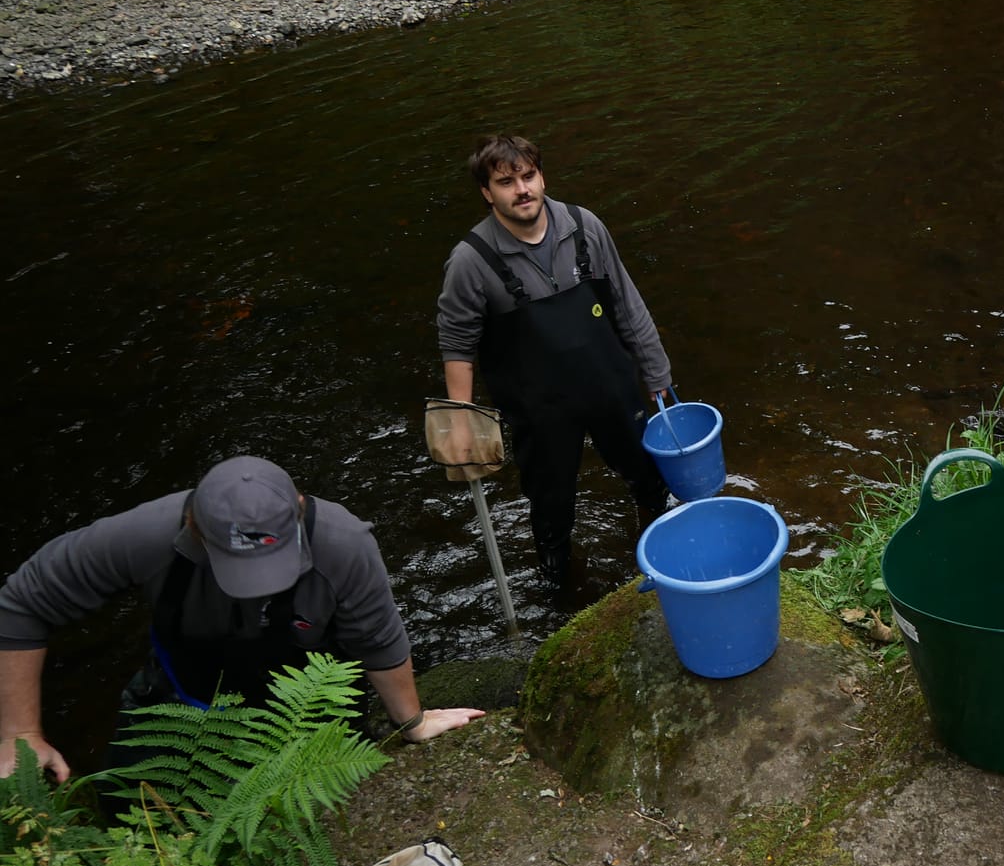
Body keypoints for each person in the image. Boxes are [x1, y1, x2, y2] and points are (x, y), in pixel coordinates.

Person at [0, 456, 484, 782]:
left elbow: (378, 639)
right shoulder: (143, 536)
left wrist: (413, 722)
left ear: (297, 511)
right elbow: (22, 604)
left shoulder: (344, 544)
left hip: (307, 707)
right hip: (182, 702)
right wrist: (21, 736)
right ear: (193, 529)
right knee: (120, 803)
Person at [437, 134, 673, 583]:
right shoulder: (470, 261)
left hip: (611, 387)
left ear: (542, 176)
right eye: (506, 182)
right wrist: (462, 420)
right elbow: (457, 347)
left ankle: (657, 544)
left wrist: (657, 373)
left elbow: (626, 302)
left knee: (648, 475)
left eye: (528, 176)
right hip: (538, 407)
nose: (522, 189)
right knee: (551, 499)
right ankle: (558, 579)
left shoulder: (584, 226)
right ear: (487, 193)